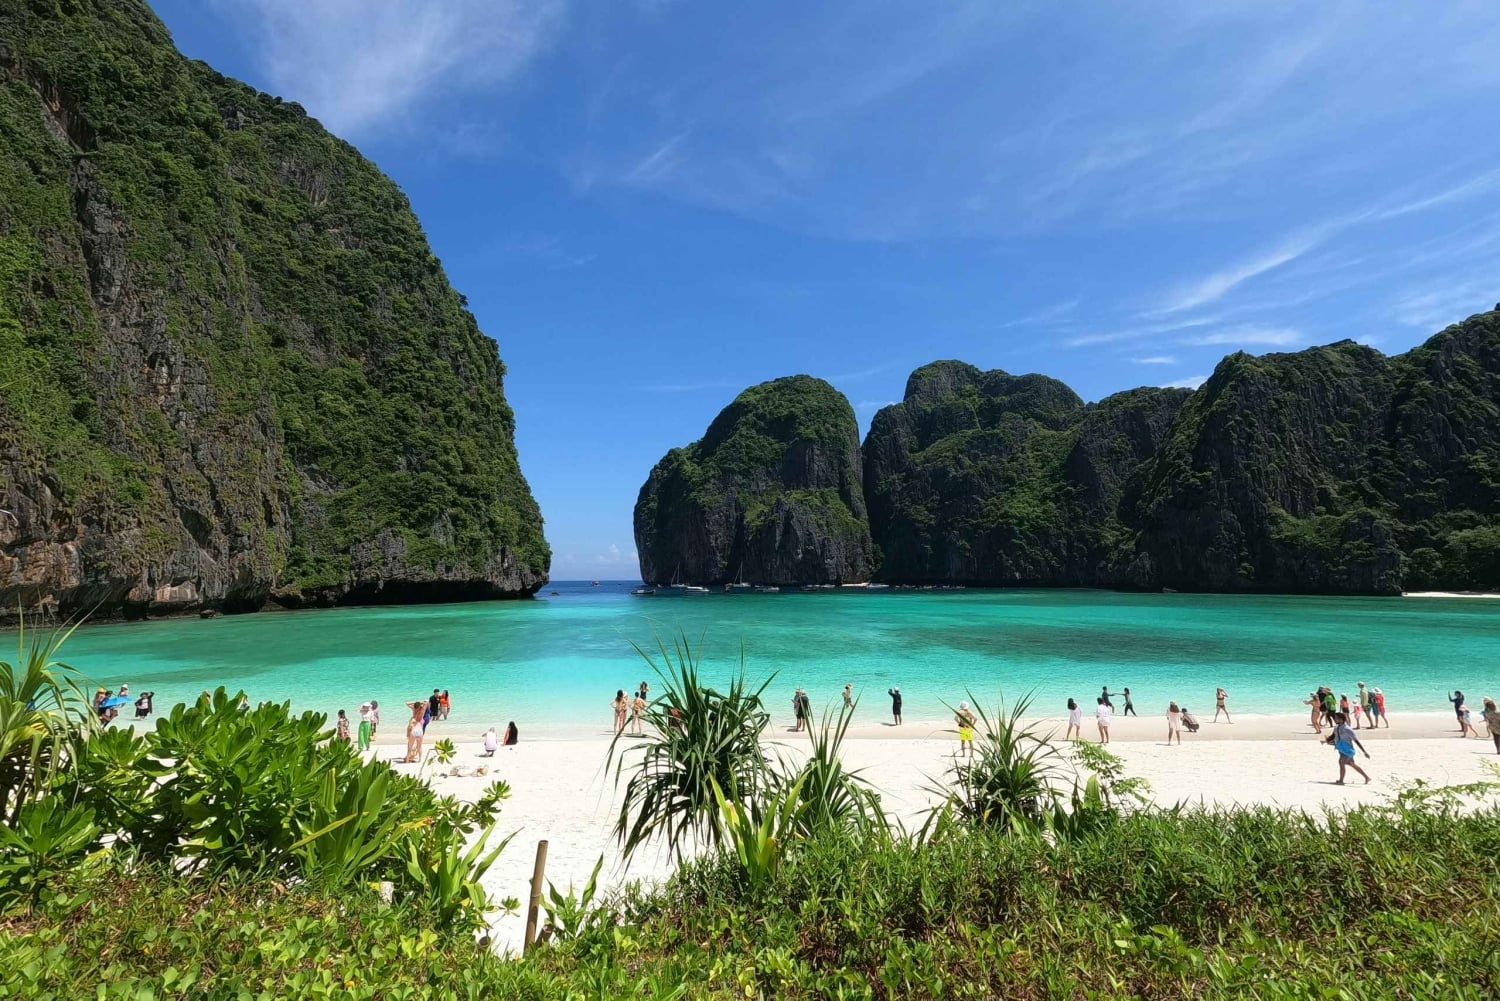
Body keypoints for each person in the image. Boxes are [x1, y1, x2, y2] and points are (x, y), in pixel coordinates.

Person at [1327, 711, 1370, 784]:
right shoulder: (1336, 727)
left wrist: (1364, 752)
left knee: (1341, 763)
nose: (1335, 719)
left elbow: (1356, 741)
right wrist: (1326, 740)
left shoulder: (1348, 729)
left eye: (1336, 718)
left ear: (1341, 719)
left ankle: (1341, 781)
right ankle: (1367, 777)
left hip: (1348, 750)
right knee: (1351, 764)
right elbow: (1333, 736)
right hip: (1341, 749)